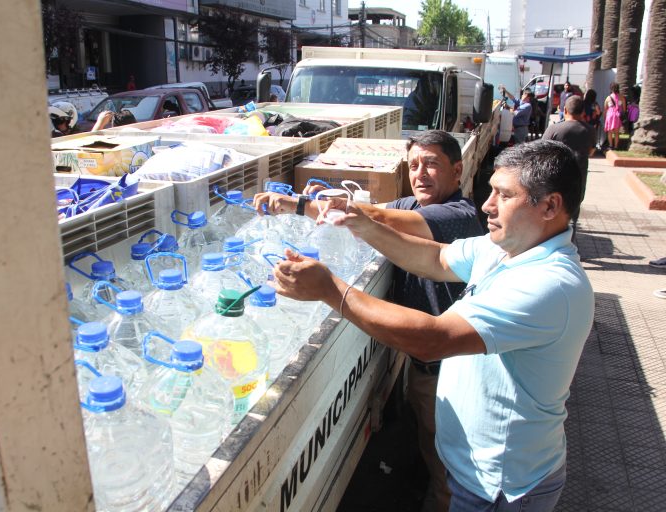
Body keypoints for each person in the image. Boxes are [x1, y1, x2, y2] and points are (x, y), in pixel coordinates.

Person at [266, 140, 594, 511]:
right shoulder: (505, 248)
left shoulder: (549, 284)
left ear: (550, 205)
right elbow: (436, 257)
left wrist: (330, 290)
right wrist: (362, 225)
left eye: (504, 195)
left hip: (501, 487)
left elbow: (434, 339)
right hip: (471, 470)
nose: (487, 205)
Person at [255, 131, 484, 512]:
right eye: (413, 166)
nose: (420, 173)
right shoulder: (413, 202)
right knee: (432, 447)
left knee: (452, 469)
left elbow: (370, 216)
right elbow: (366, 214)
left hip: (452, 370)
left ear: (457, 171)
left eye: (431, 164)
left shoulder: (459, 215)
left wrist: (296, 205)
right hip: (424, 364)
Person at [542, 96, 596, 242]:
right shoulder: (590, 130)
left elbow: (542, 150)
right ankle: (568, 244)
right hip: (579, 177)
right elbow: (591, 151)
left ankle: (549, 242)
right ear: (583, 112)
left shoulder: (554, 128)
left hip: (555, 177)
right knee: (572, 212)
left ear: (564, 110)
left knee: (550, 209)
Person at [603, 82, 626, 150]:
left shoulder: (608, 98)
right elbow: (624, 109)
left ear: (611, 89)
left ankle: (610, 145)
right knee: (616, 132)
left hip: (610, 115)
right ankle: (616, 146)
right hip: (617, 115)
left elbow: (605, 109)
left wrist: (605, 118)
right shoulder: (622, 97)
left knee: (610, 132)